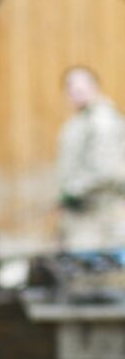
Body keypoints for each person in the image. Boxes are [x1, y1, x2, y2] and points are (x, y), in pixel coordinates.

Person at [56, 66, 125, 251]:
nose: (76, 94)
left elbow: (107, 170)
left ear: (95, 87)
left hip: (100, 215)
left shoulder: (102, 121)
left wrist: (73, 191)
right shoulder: (80, 121)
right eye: (71, 89)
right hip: (84, 217)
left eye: (81, 89)